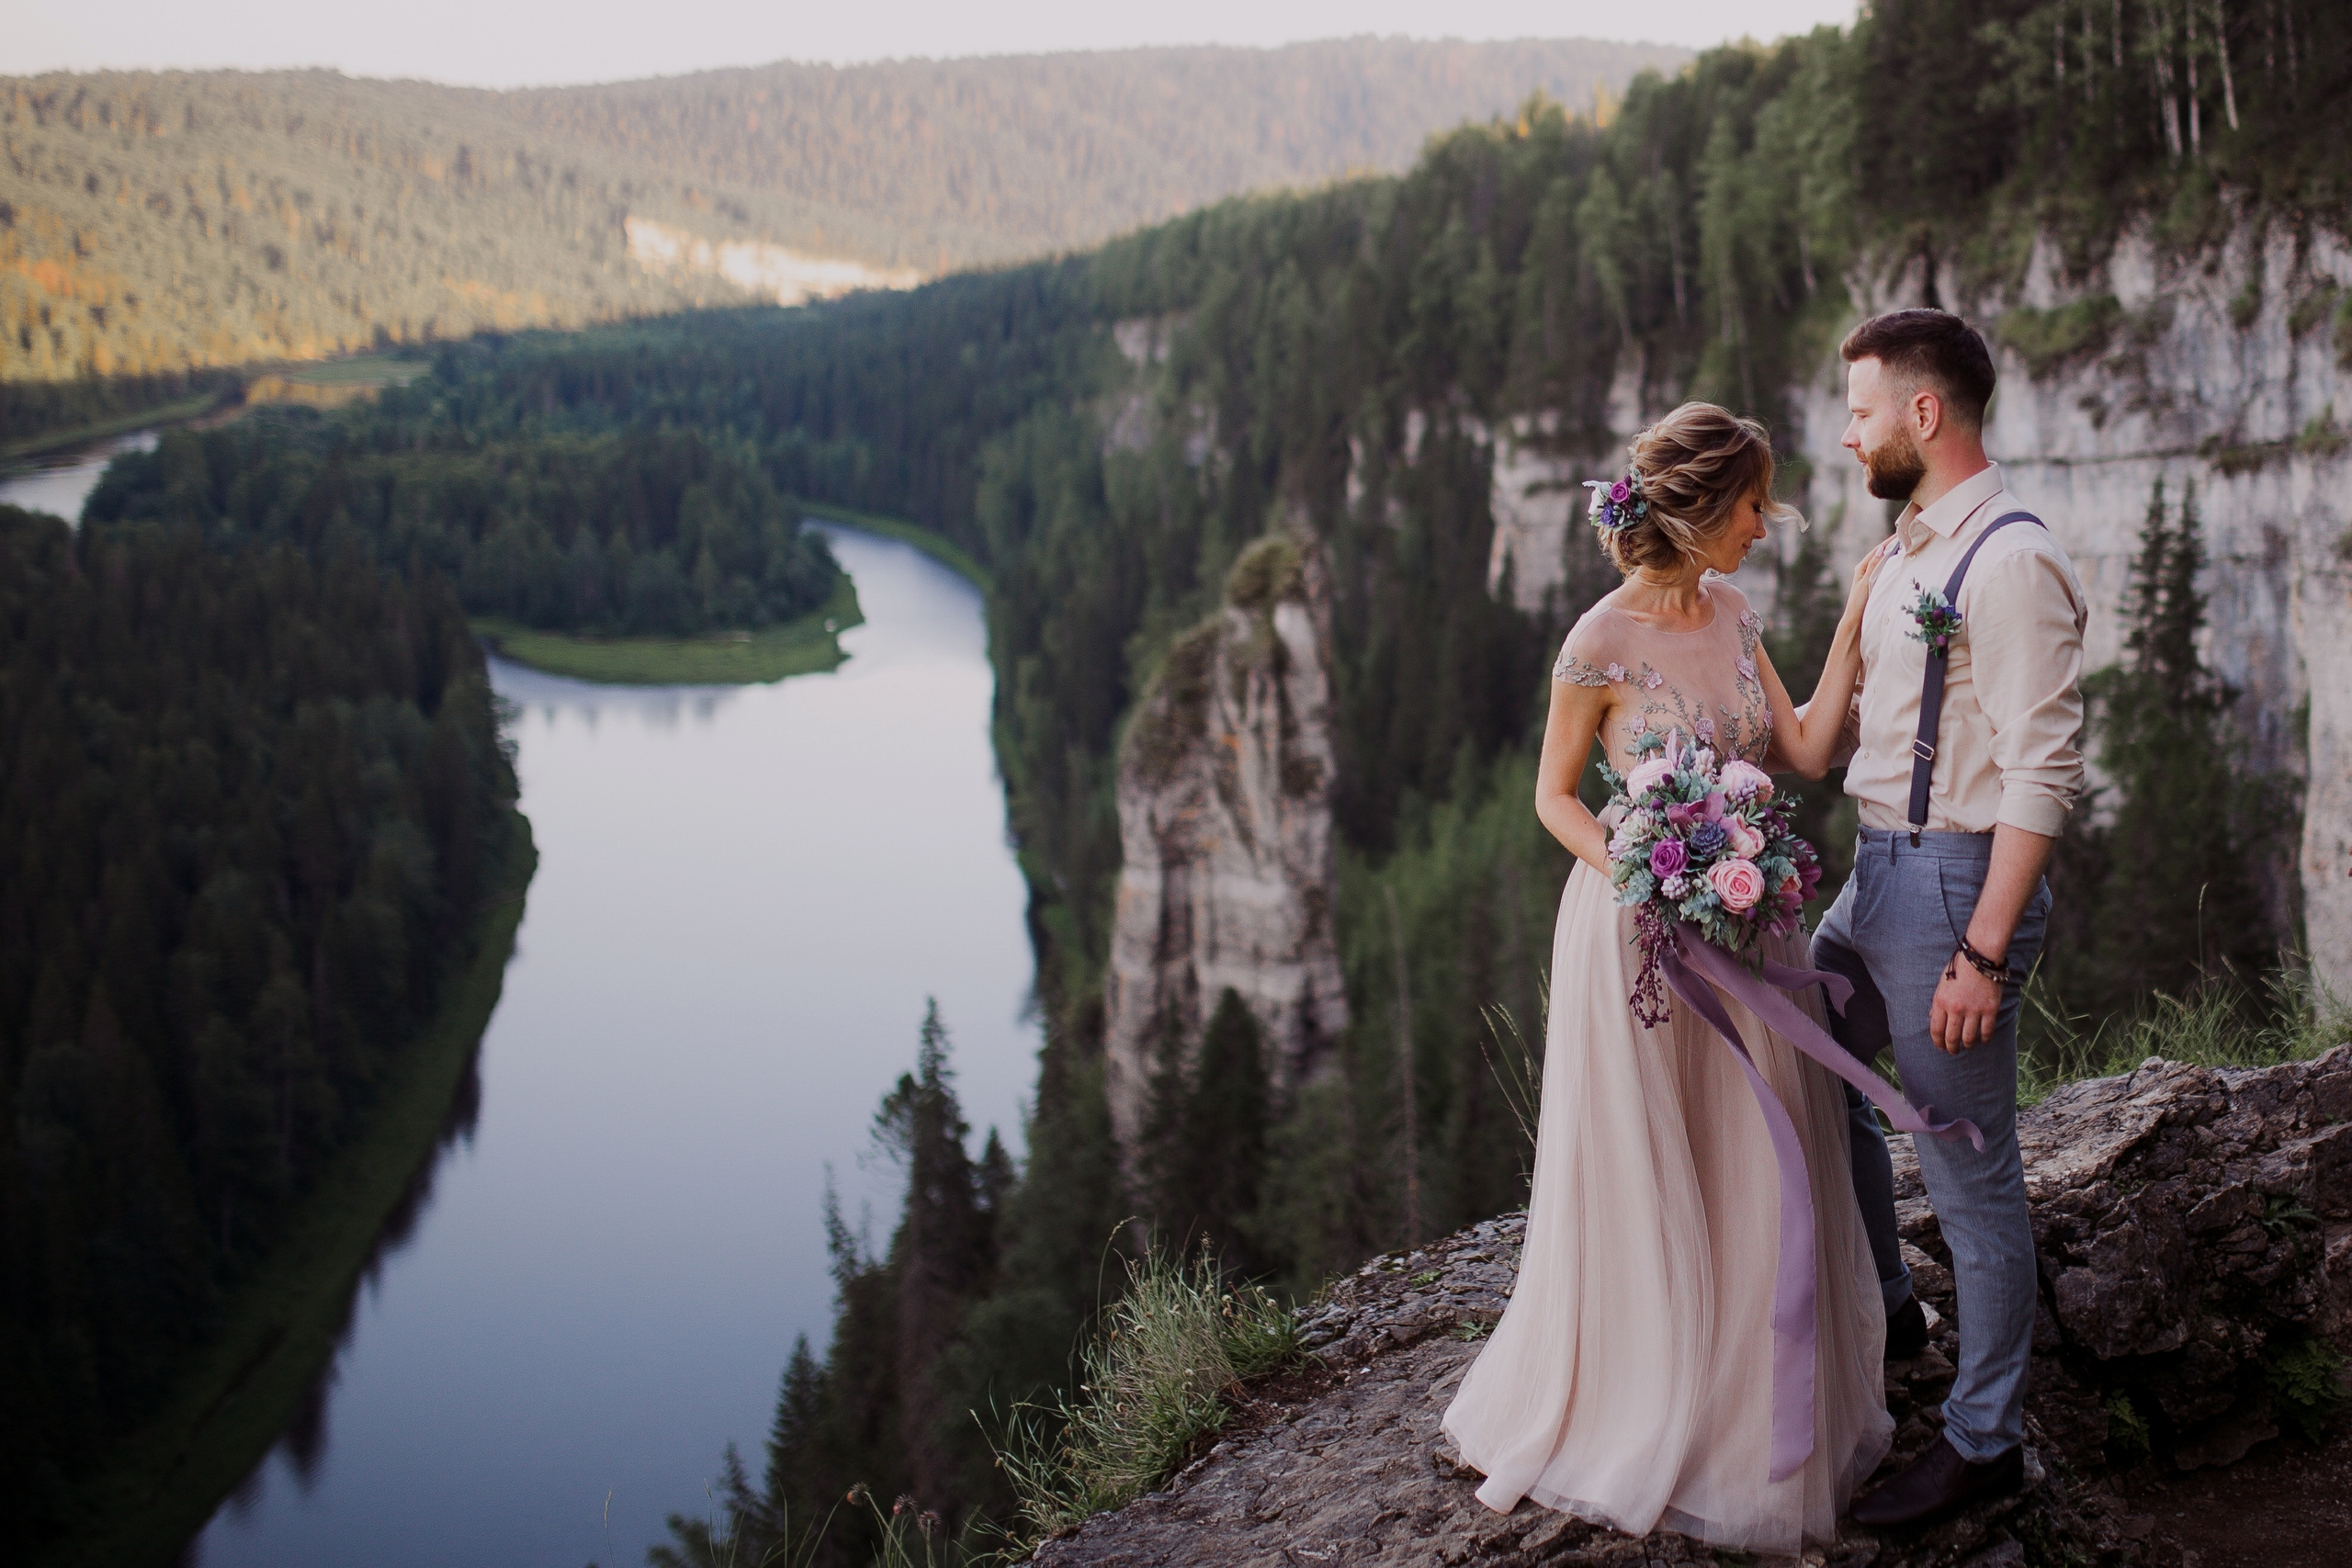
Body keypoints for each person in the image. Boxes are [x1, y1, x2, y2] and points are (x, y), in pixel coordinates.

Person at [1441, 401, 1895, 1553]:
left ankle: (1754, 1421)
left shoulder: (1736, 612)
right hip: (1639, 933)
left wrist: (1852, 623)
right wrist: (1642, 862)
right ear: (1697, 511)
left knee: (1759, 1159)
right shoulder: (1595, 642)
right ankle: (1648, 1402)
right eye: (1753, 503)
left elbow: (1796, 751)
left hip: (1749, 922)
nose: (1765, 521)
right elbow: (1553, 797)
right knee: (1658, 1160)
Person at [1810, 309, 2087, 1528]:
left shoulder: (2013, 558)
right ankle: (1892, 1310)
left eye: (1862, 410)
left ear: (1925, 414)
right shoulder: (1902, 554)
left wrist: (1981, 950)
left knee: (1972, 1178)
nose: (1848, 434)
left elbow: (2043, 774)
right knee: (1809, 1058)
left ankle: (1984, 1440)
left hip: (1952, 890)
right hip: (1871, 876)